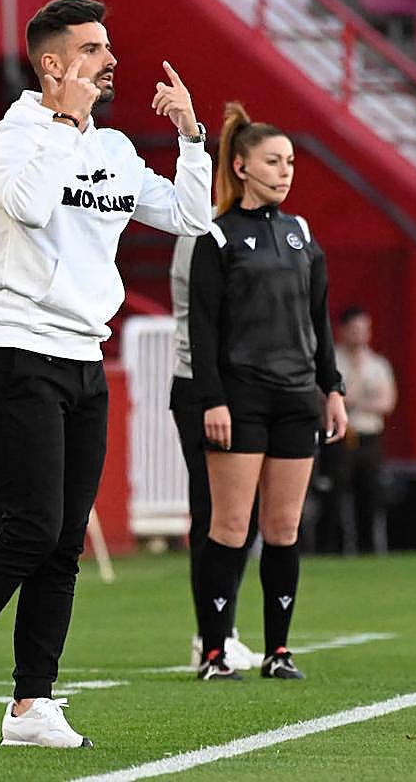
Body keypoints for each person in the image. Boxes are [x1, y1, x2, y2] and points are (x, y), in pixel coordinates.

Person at [0, 0, 212, 748]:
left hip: (85, 360)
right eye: (93, 48)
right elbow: (33, 208)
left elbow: (191, 217)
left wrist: (191, 137)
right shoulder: (14, 136)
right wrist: (64, 125)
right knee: (31, 527)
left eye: (107, 47)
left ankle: (31, 704)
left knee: (64, 541)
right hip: (17, 353)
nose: (110, 59)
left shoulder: (114, 150)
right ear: (53, 63)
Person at [189, 102, 347, 681]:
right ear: (241, 166)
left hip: (296, 399)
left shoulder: (301, 233)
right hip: (241, 399)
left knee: (283, 530)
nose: (285, 172)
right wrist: (213, 398)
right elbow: (202, 327)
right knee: (230, 529)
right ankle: (214, 651)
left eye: (290, 162)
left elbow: (318, 318)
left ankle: (278, 651)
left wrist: (332, 388)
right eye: (274, 161)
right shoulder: (216, 236)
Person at [169, 236, 263, 673]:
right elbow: (201, 316)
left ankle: (222, 630)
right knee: (214, 513)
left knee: (243, 514)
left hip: (243, 385)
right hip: (204, 386)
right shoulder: (202, 232)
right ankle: (211, 636)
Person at [317, 305, 398, 554]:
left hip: (368, 436)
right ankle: (330, 550)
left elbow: (387, 402)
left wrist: (356, 401)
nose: (360, 335)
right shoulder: (331, 361)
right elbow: (327, 396)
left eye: (364, 330)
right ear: (342, 330)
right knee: (333, 495)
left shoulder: (378, 364)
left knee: (369, 494)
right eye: (354, 330)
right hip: (339, 435)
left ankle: (367, 549)